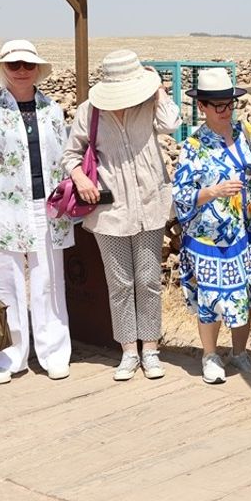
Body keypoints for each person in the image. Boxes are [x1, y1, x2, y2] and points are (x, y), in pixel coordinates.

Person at [63, 49, 180, 381]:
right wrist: (81, 178)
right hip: (109, 211)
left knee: (148, 280)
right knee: (120, 283)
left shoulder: (148, 104)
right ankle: (129, 350)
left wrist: (158, 90)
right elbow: (70, 154)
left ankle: (151, 349)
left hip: (150, 204)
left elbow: (172, 124)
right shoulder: (90, 111)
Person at [0, 41, 75, 385]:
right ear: (3, 69)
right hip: (2, 207)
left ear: (37, 69)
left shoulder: (52, 110)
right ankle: (9, 357)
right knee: (6, 283)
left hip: (48, 207)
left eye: (28, 64)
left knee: (49, 282)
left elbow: (64, 156)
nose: (22, 70)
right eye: (14, 65)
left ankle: (54, 353)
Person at [172, 69, 251, 384]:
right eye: (218, 105)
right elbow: (181, 195)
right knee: (210, 299)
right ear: (202, 106)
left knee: (244, 293)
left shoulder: (246, 132)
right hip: (207, 239)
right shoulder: (193, 145)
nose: (225, 110)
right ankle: (210, 356)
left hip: (244, 232)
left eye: (229, 103)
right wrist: (213, 192)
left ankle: (239, 353)